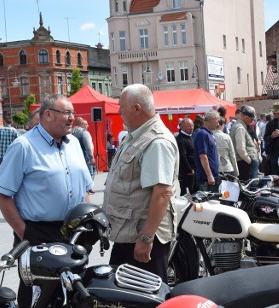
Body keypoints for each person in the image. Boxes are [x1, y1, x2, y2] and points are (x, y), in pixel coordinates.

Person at [0, 94, 93, 308]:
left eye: (72, 113)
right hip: (37, 231)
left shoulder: (74, 144)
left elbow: (86, 186)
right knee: (36, 294)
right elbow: (1, 194)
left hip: (71, 230)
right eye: (66, 113)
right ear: (47, 114)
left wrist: (82, 217)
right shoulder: (24, 146)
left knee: (70, 289)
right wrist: (24, 232)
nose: (72, 118)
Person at [102, 84, 179, 281]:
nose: (119, 111)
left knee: (144, 300)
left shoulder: (156, 141)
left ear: (137, 108)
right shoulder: (136, 135)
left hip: (142, 238)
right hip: (129, 235)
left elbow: (162, 193)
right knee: (122, 298)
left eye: (122, 107)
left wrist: (146, 238)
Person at [193, 110, 220, 192]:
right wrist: (209, 175)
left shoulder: (209, 134)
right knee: (207, 203)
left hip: (212, 176)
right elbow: (203, 156)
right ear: (212, 119)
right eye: (217, 121)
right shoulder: (202, 134)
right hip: (206, 178)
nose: (218, 124)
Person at [230, 105, 260, 181]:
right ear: (246, 117)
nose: (252, 121)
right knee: (248, 187)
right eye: (251, 119)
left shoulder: (238, 126)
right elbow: (240, 148)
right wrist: (249, 160)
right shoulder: (240, 128)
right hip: (242, 163)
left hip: (241, 161)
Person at [72, 117, 96, 184]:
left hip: (74, 157)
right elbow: (88, 145)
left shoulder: (70, 131)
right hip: (85, 156)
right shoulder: (84, 132)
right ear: (82, 124)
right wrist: (91, 157)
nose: (87, 125)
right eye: (86, 124)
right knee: (91, 171)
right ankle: (88, 188)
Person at [175, 117, 196, 195]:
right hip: (186, 173)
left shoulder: (189, 137)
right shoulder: (181, 139)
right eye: (189, 126)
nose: (191, 128)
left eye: (192, 125)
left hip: (192, 171)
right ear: (182, 127)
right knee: (186, 194)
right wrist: (189, 170)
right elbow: (182, 156)